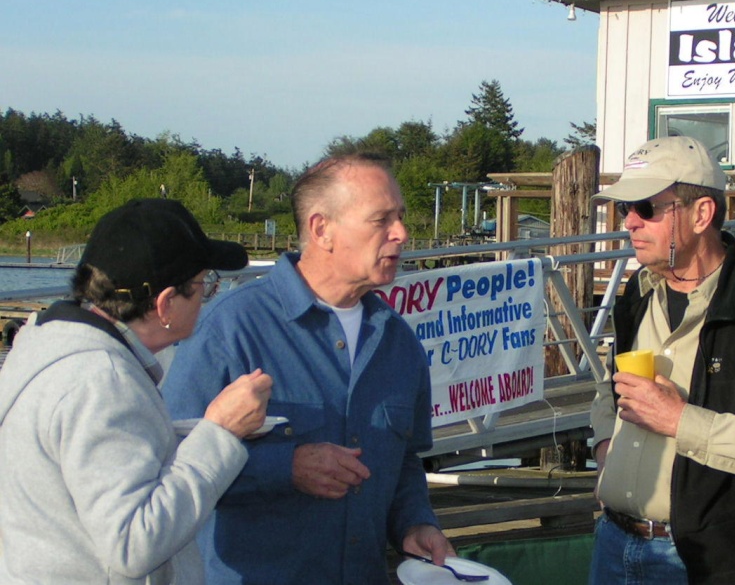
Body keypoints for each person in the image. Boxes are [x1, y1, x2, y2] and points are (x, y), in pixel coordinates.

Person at [161, 152, 453, 584]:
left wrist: (415, 523)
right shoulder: (230, 328)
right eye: (381, 219)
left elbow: (404, 460)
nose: (402, 233)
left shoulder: (399, 343)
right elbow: (168, 464)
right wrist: (285, 468)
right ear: (322, 229)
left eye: (402, 217)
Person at [0, 198, 273, 584]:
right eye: (203, 285)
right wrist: (221, 433)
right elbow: (132, 543)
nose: (206, 298)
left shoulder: (43, 345)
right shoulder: (102, 381)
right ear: (165, 305)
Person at [588, 136, 735, 584]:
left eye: (645, 207)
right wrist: (606, 447)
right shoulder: (638, 295)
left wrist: (681, 420)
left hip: (716, 560)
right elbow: (609, 390)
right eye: (623, 208)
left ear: (701, 214)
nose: (629, 222)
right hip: (614, 542)